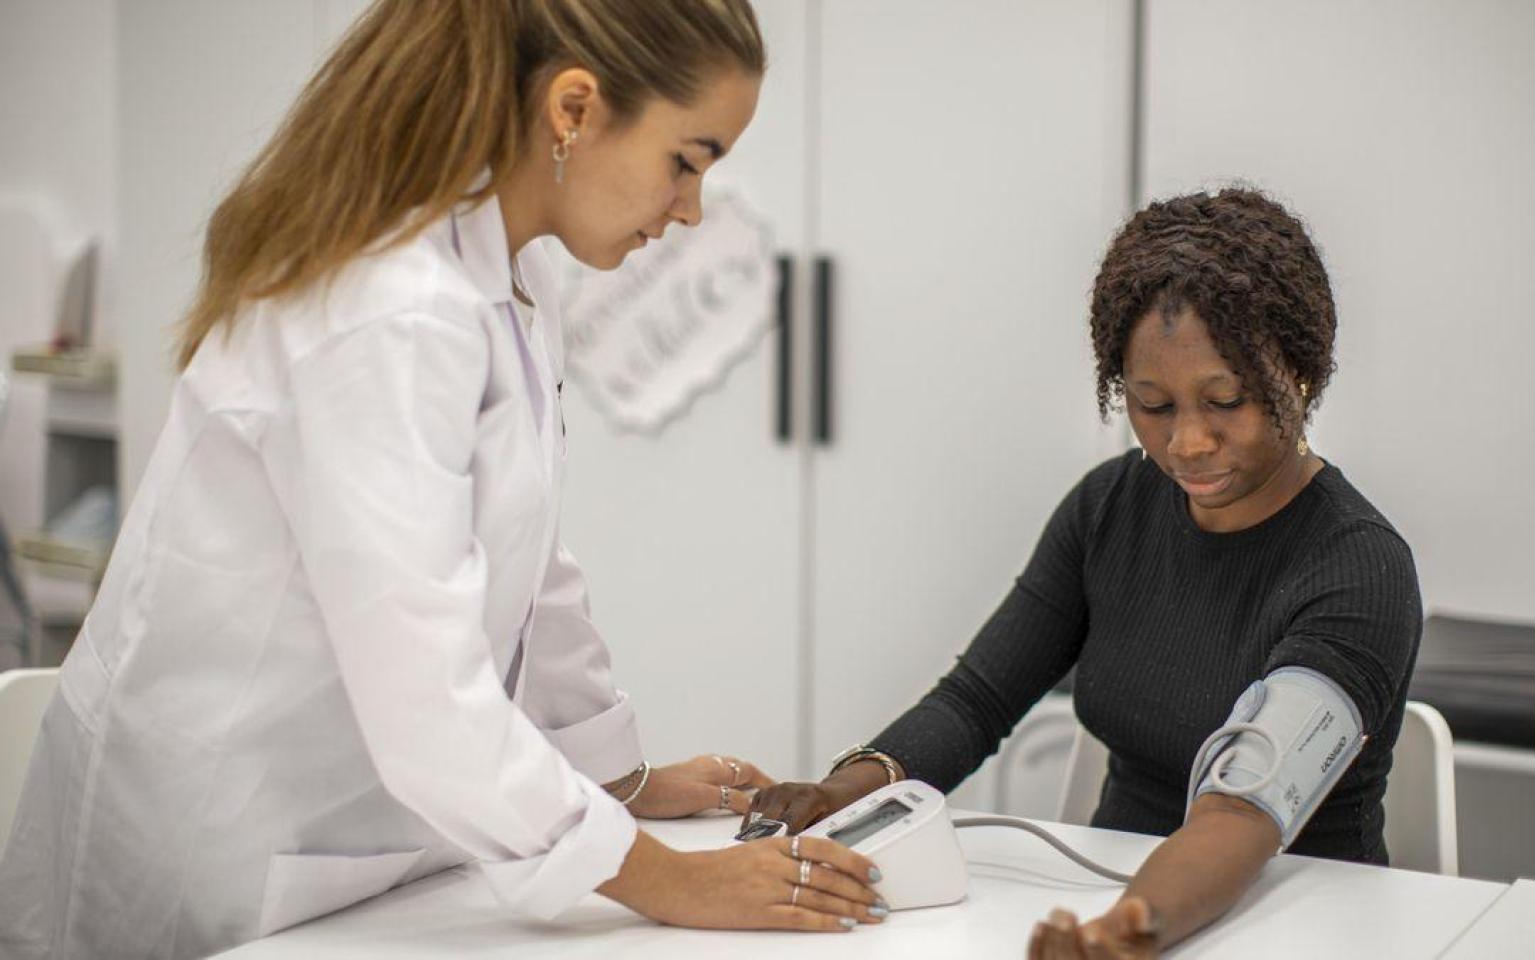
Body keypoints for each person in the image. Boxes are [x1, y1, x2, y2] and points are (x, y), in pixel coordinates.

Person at [0, 2, 884, 957]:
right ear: (573, 110)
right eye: (686, 160)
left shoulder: (513, 273)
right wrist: (671, 881)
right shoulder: (389, 306)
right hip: (217, 849)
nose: (690, 209)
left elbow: (531, 564)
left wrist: (614, 777)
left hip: (353, 847)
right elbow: (427, 699)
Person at [749, 188, 1423, 958]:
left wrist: (1128, 930)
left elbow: (1242, 810)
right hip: (1123, 912)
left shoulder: (1359, 567)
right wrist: (839, 795)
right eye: (1153, 405)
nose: (1188, 442)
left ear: (1297, 375)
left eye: (1226, 400)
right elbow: (975, 702)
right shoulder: (1109, 509)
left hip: (1299, 927)